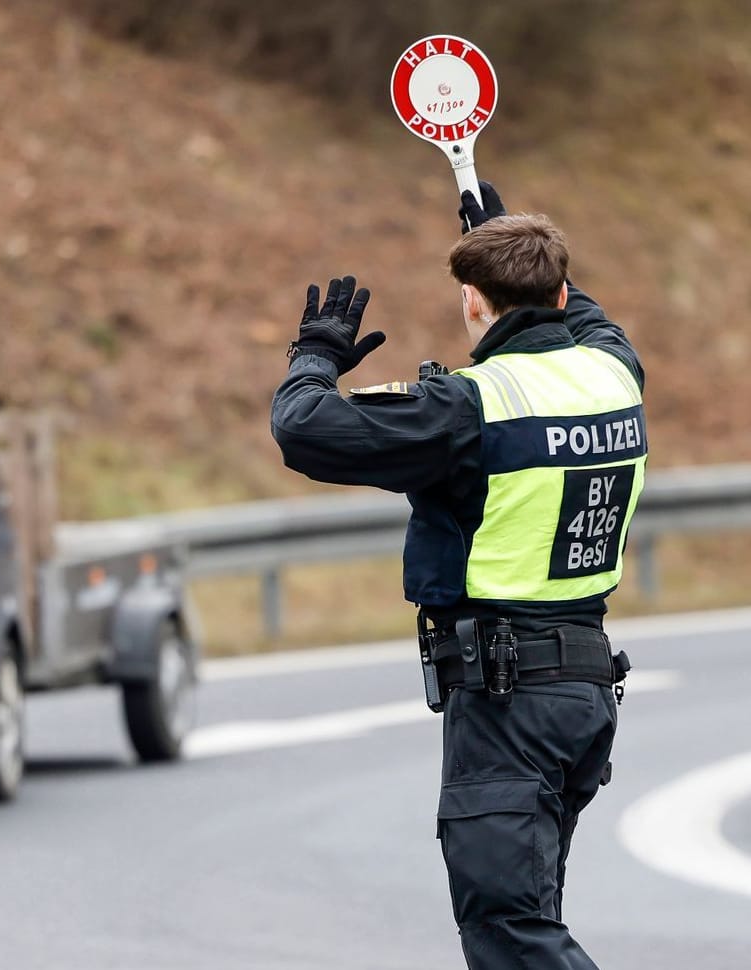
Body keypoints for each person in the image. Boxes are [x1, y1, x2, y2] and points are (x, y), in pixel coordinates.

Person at [270, 182, 643, 970]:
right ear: (561, 291)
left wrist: (315, 355)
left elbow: (302, 430)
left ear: (471, 302)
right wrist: (501, 235)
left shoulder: (465, 408)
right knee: (529, 915)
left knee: (508, 931)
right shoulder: (615, 373)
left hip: (508, 702)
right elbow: (586, 315)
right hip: (580, 694)